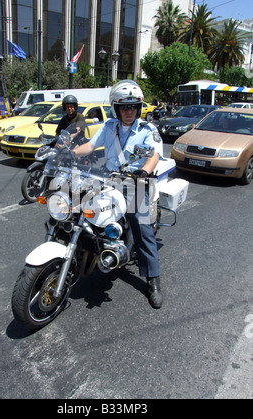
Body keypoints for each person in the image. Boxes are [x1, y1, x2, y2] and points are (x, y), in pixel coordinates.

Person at [73, 80, 164, 309]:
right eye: (124, 107)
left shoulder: (147, 130)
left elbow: (154, 156)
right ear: (116, 108)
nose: (129, 111)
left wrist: (144, 171)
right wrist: (68, 151)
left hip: (135, 182)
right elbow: (91, 146)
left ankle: (153, 280)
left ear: (139, 107)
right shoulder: (108, 127)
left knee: (141, 227)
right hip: (109, 179)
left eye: (133, 106)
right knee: (78, 207)